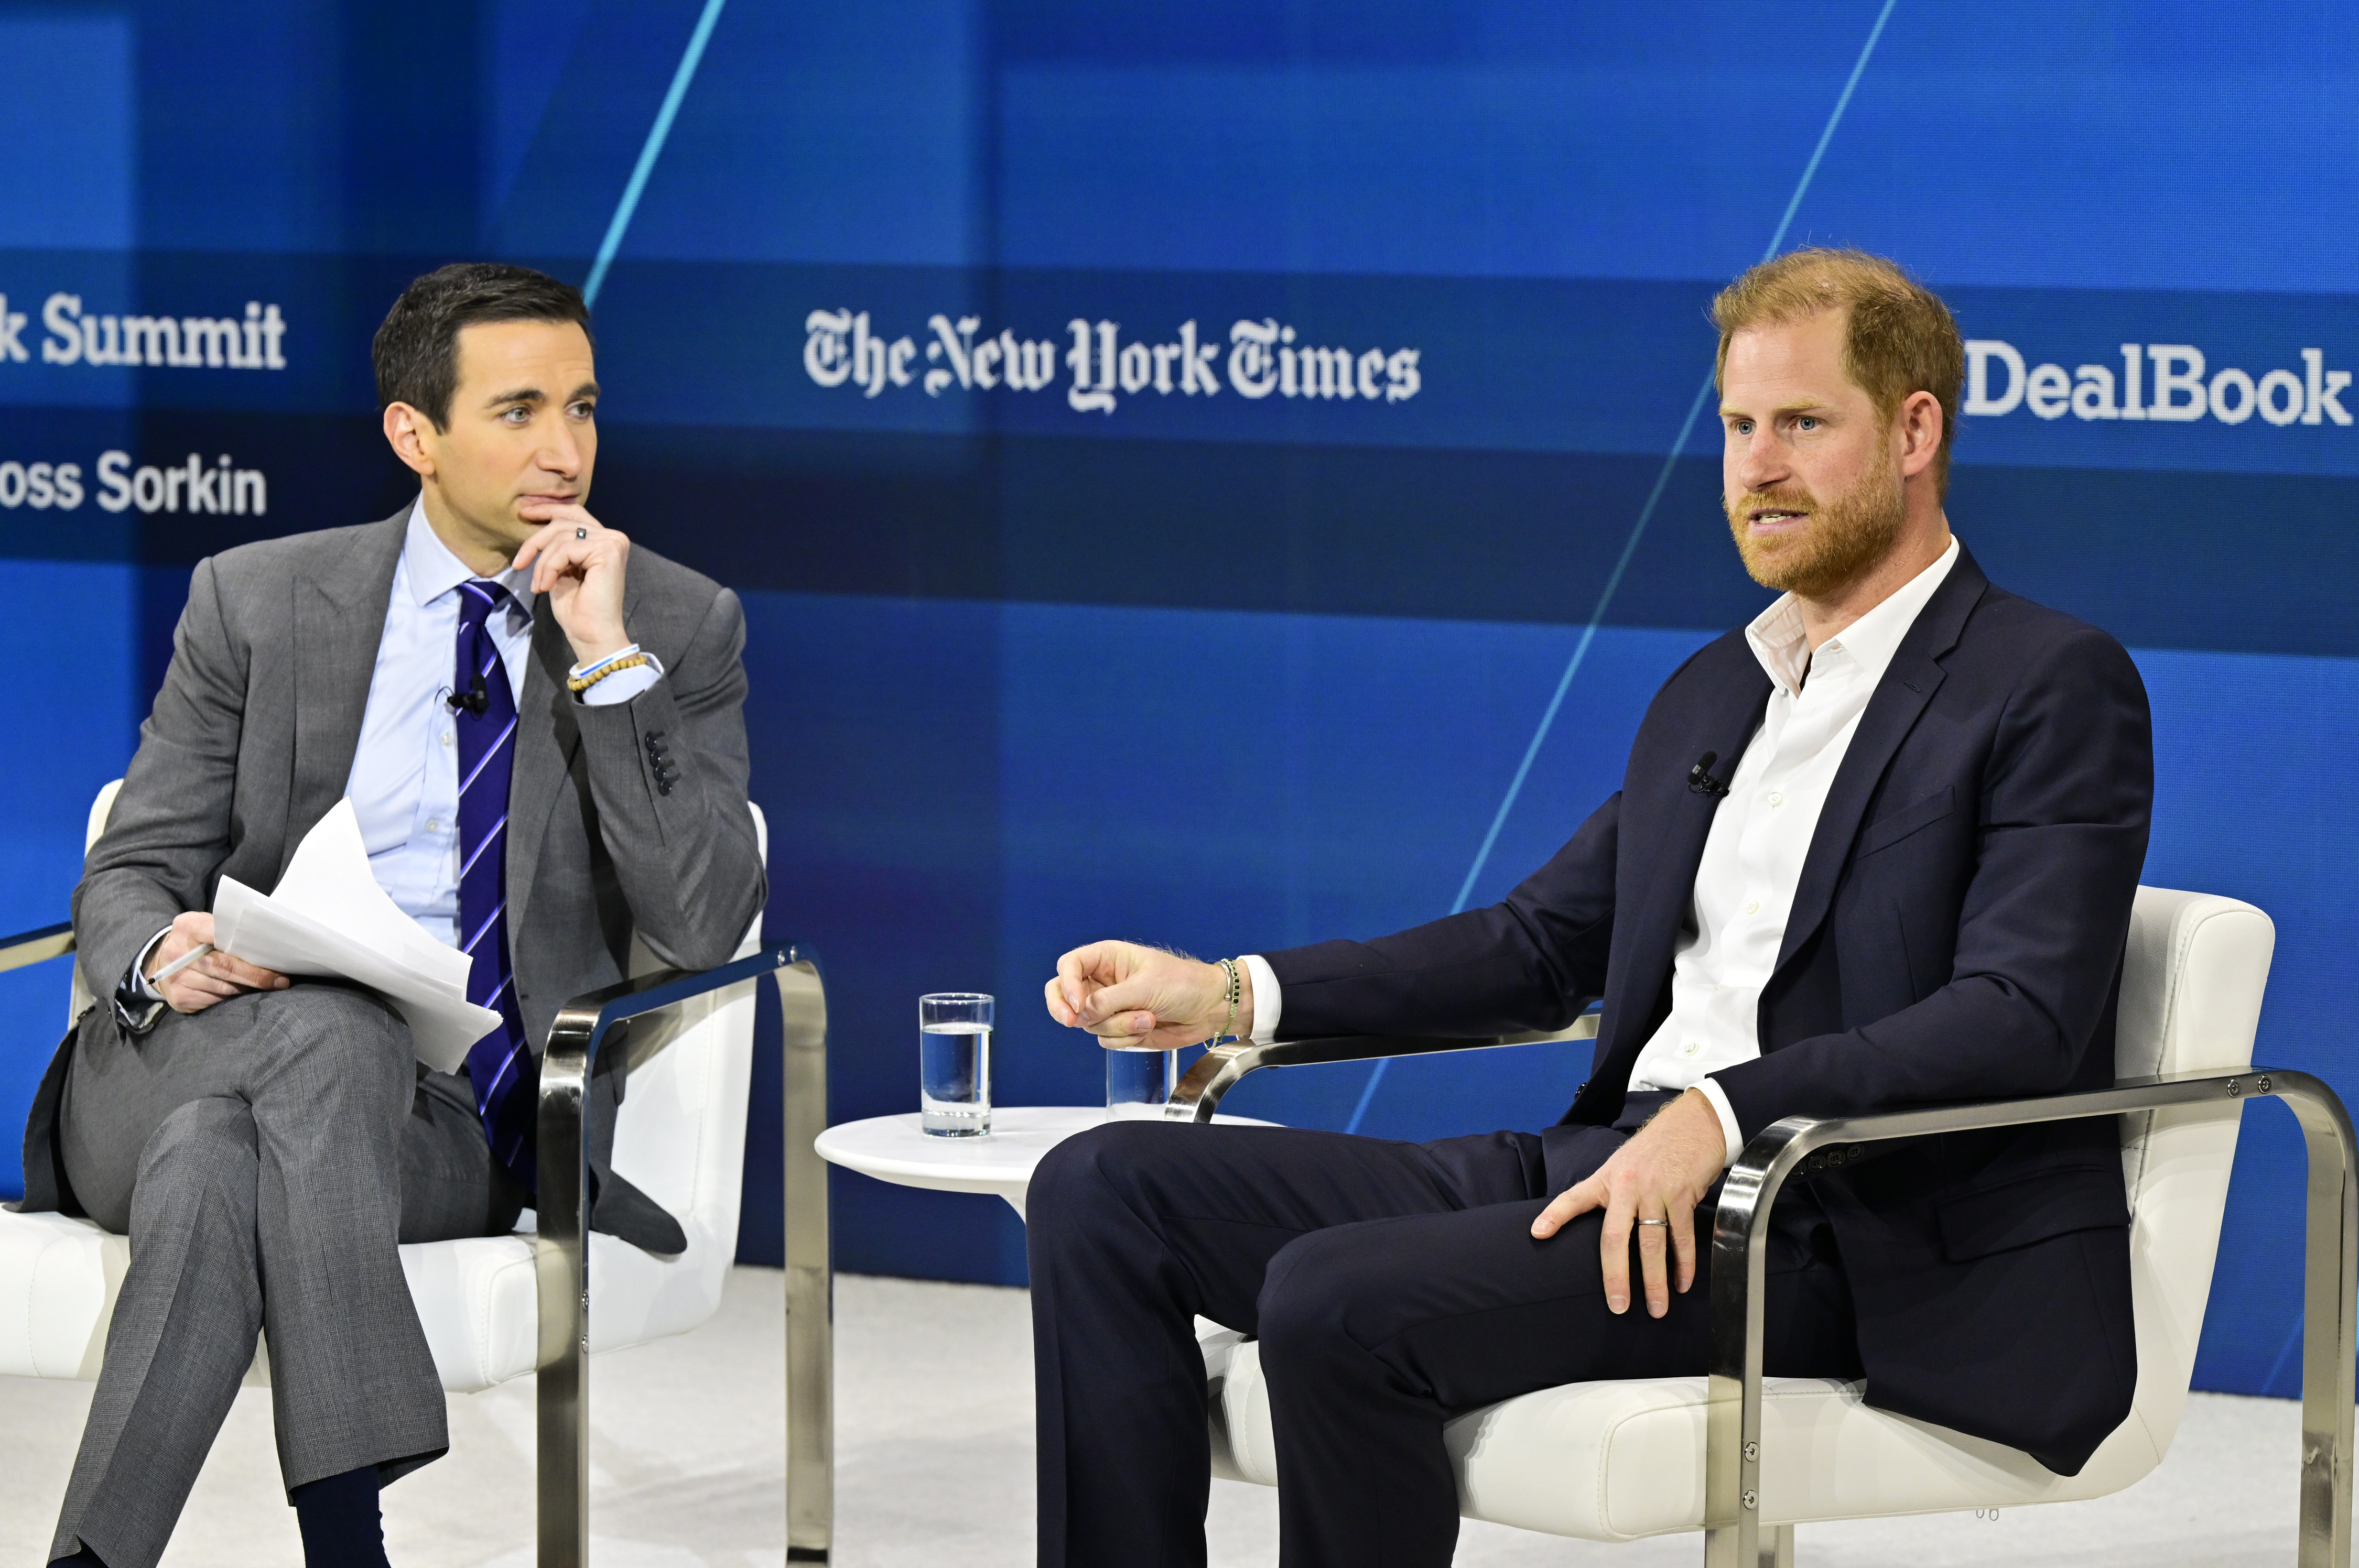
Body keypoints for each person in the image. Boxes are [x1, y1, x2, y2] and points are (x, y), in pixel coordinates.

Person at [1030, 249, 2152, 1568]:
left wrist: (1726, 1111)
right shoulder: (1716, 689)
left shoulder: (2045, 680)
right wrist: (1229, 991)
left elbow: (2020, 1015)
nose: (1757, 466)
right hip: (1609, 1163)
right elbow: (1535, 944)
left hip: (1831, 1223)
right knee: (1104, 1186)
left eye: (1802, 423)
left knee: (1332, 1296)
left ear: (1915, 431)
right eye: (1738, 425)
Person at [16, 263, 765, 1568]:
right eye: (520, 409)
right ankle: (348, 1541)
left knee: (224, 1156)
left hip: (449, 1121)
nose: (565, 448)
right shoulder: (257, 599)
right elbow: (134, 861)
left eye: (583, 408)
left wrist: (605, 658)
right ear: (413, 434)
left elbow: (702, 920)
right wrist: (155, 950)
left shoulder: (675, 626)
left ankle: (89, 1561)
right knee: (316, 1041)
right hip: (176, 1051)